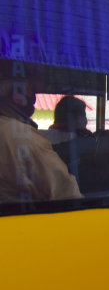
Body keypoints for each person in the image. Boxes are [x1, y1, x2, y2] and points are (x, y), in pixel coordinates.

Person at [0, 60, 82, 202]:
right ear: (16, 94)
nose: (34, 93)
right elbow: (70, 196)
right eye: (30, 86)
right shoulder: (22, 137)